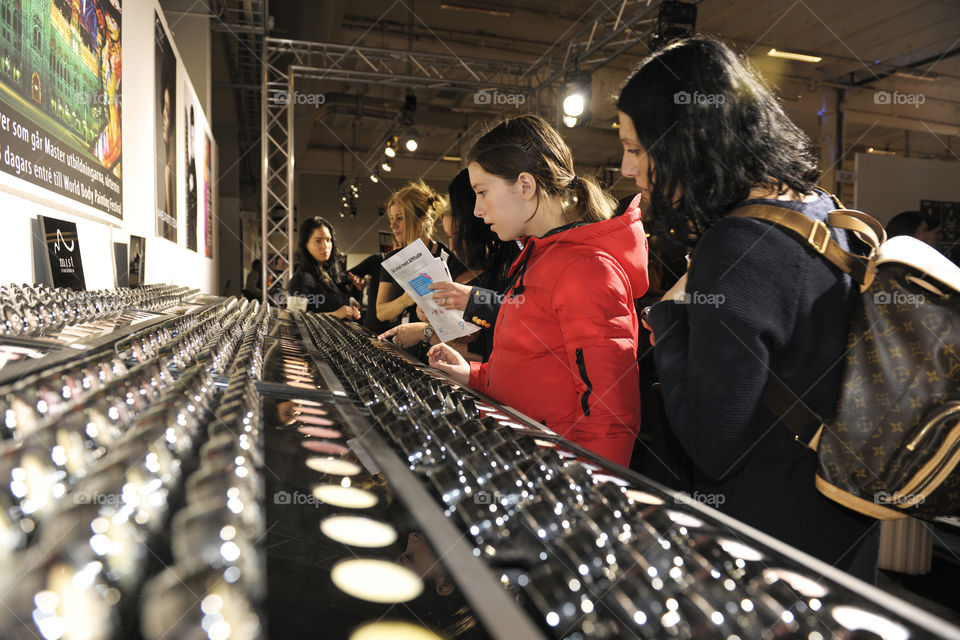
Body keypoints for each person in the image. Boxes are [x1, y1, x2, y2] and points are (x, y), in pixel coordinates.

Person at [617, 35, 880, 581]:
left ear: (687, 140)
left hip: (769, 550)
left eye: (638, 149)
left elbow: (714, 445)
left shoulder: (736, 245)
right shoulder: (821, 211)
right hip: (847, 530)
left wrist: (669, 318)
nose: (628, 170)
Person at [427, 114, 649, 467]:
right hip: (519, 463)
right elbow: (533, 369)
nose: (478, 210)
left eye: (482, 192)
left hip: (553, 480)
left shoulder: (585, 269)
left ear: (525, 186)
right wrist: (472, 374)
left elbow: (610, 419)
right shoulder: (539, 256)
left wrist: (584, 504)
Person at [379, 170, 520, 361]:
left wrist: (427, 333)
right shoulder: (455, 264)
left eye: (457, 236)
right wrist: (434, 318)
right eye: (448, 237)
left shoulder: (506, 268)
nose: (452, 246)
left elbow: (486, 348)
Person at [375, 180, 466, 329]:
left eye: (399, 218)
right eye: (391, 219)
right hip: (399, 346)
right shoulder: (392, 260)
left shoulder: (448, 258)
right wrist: (405, 300)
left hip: (435, 346)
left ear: (422, 217)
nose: (393, 225)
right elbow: (381, 313)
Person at [287, 216, 360, 320]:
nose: (325, 246)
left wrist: (351, 310)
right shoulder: (302, 278)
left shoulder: (329, 274)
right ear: (305, 244)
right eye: (318, 241)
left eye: (328, 240)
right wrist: (334, 314)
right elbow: (294, 320)